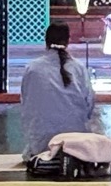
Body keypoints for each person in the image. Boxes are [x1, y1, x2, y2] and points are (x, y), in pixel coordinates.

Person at [17, 21, 95, 156]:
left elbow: (26, 103)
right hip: (75, 142)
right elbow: (89, 104)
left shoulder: (33, 68)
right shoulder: (78, 68)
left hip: (41, 143)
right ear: (68, 40)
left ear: (46, 41)